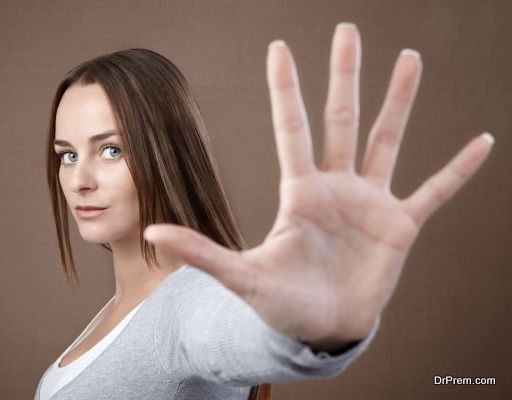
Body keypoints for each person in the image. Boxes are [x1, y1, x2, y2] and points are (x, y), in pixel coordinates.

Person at [34, 22, 494, 400]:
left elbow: (233, 331)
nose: (79, 179)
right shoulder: (119, 309)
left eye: (111, 150)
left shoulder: (186, 304)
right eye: (68, 155)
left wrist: (314, 329)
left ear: (167, 154)